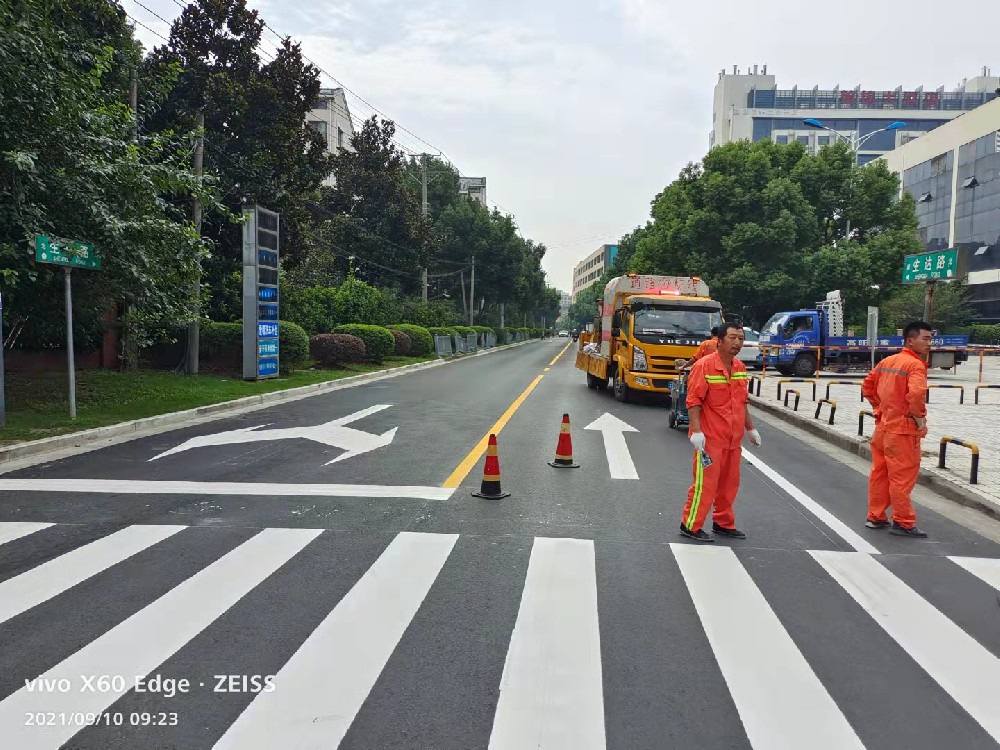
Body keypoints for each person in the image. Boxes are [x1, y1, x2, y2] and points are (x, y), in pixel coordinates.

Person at [679, 322, 761, 543]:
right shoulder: (704, 366)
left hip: (733, 440)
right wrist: (696, 431)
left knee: (729, 485)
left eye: (741, 339)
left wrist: (750, 429)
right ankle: (690, 525)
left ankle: (723, 522)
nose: (737, 343)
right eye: (733, 338)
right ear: (720, 340)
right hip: (711, 440)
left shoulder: (740, 368)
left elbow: (742, 402)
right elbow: (694, 401)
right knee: (705, 485)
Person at [862, 321, 932, 538]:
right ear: (911, 340)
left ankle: (876, 516)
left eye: (930, 339)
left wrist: (879, 410)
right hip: (902, 430)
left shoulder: (887, 361)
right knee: (901, 477)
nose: (930, 343)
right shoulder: (915, 365)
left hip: (883, 428)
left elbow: (867, 386)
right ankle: (903, 522)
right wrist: (919, 418)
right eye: (925, 339)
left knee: (880, 474)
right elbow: (917, 394)